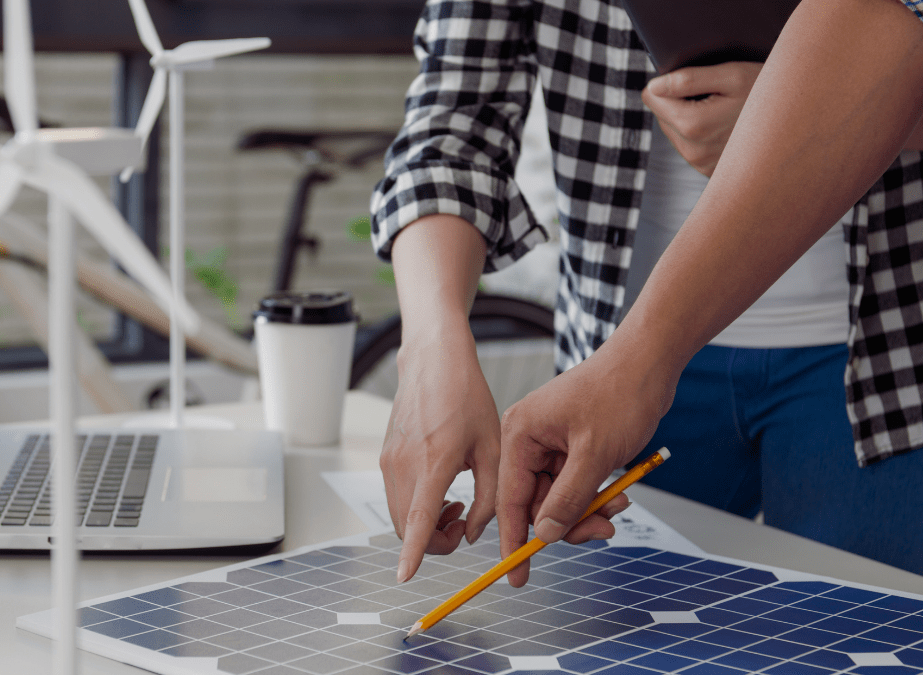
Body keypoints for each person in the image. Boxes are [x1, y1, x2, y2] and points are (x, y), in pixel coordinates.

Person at [371, 0, 923, 587]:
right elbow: (452, 132)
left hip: (887, 358)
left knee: (868, 625)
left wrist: (807, 114)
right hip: (610, 370)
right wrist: (430, 347)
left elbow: (887, 28)